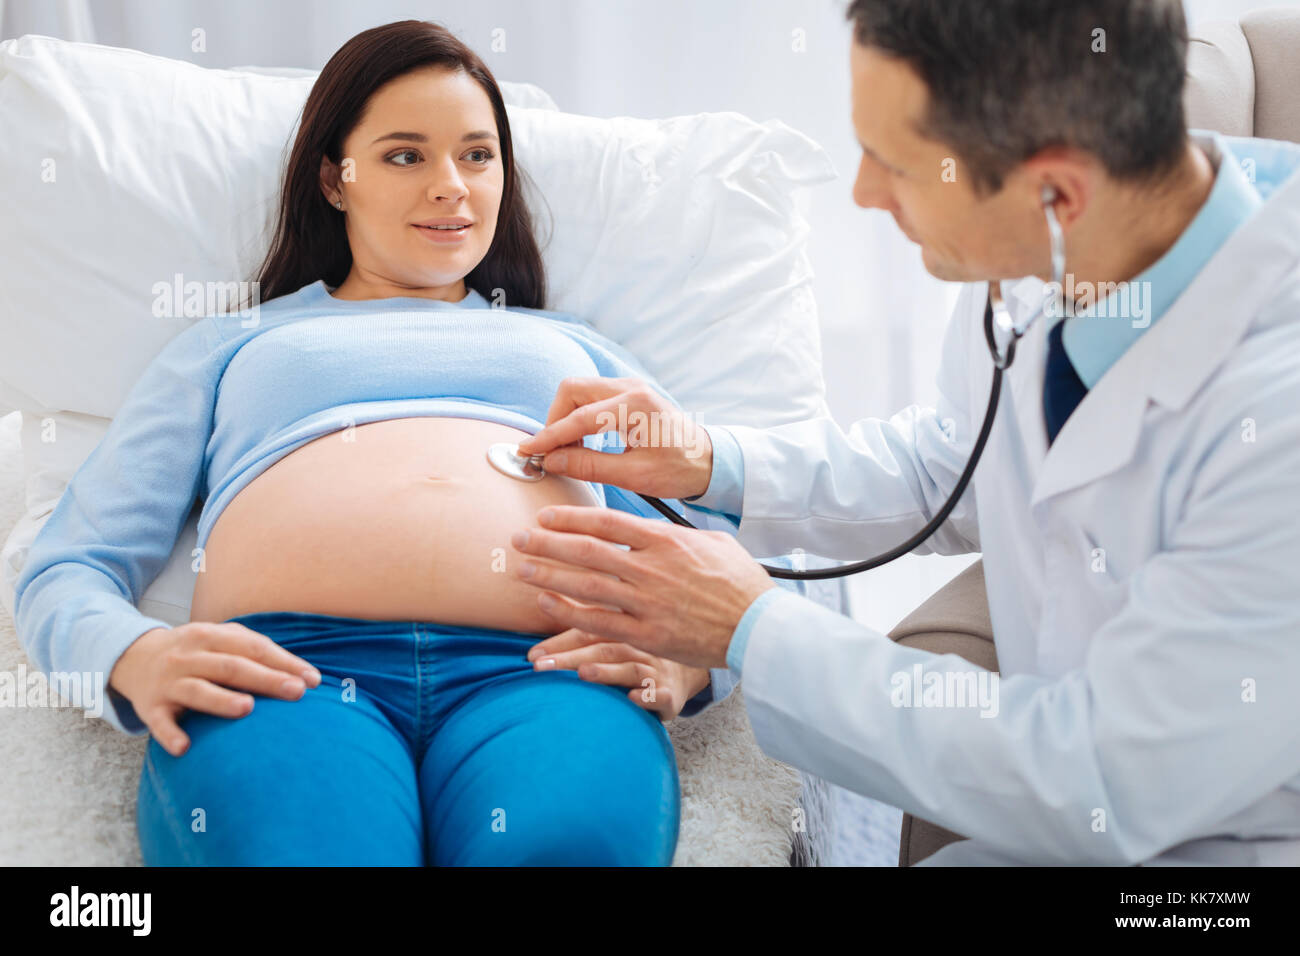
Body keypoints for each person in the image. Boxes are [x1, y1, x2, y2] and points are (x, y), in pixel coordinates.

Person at [509, 0, 1300, 865]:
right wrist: (713, 461)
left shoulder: (1275, 418)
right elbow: (949, 467)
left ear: (1057, 190)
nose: (863, 193)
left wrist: (751, 628)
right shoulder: (1056, 250)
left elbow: (1108, 780)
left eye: (898, 165)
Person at [14, 19, 721, 866]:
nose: (452, 186)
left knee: (562, 850)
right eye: (403, 155)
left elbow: (723, 549)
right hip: (283, 676)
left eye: (477, 155)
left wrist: (694, 663)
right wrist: (133, 655)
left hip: (549, 675)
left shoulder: (576, 346)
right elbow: (69, 563)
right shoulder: (234, 344)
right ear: (333, 179)